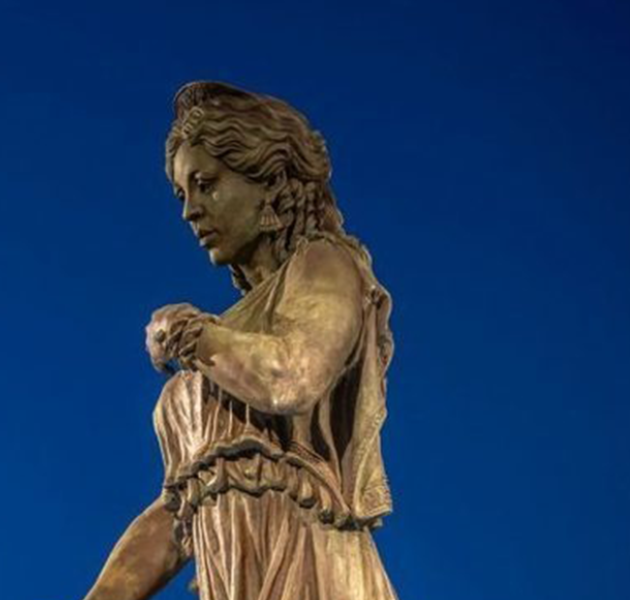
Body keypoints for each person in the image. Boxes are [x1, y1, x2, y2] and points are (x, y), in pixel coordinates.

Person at [81, 82, 398, 600]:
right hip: (234, 575)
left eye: (207, 184)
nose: (191, 210)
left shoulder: (324, 267)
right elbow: (181, 507)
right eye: (183, 194)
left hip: (309, 567)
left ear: (268, 181)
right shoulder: (227, 333)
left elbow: (290, 377)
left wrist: (191, 333)